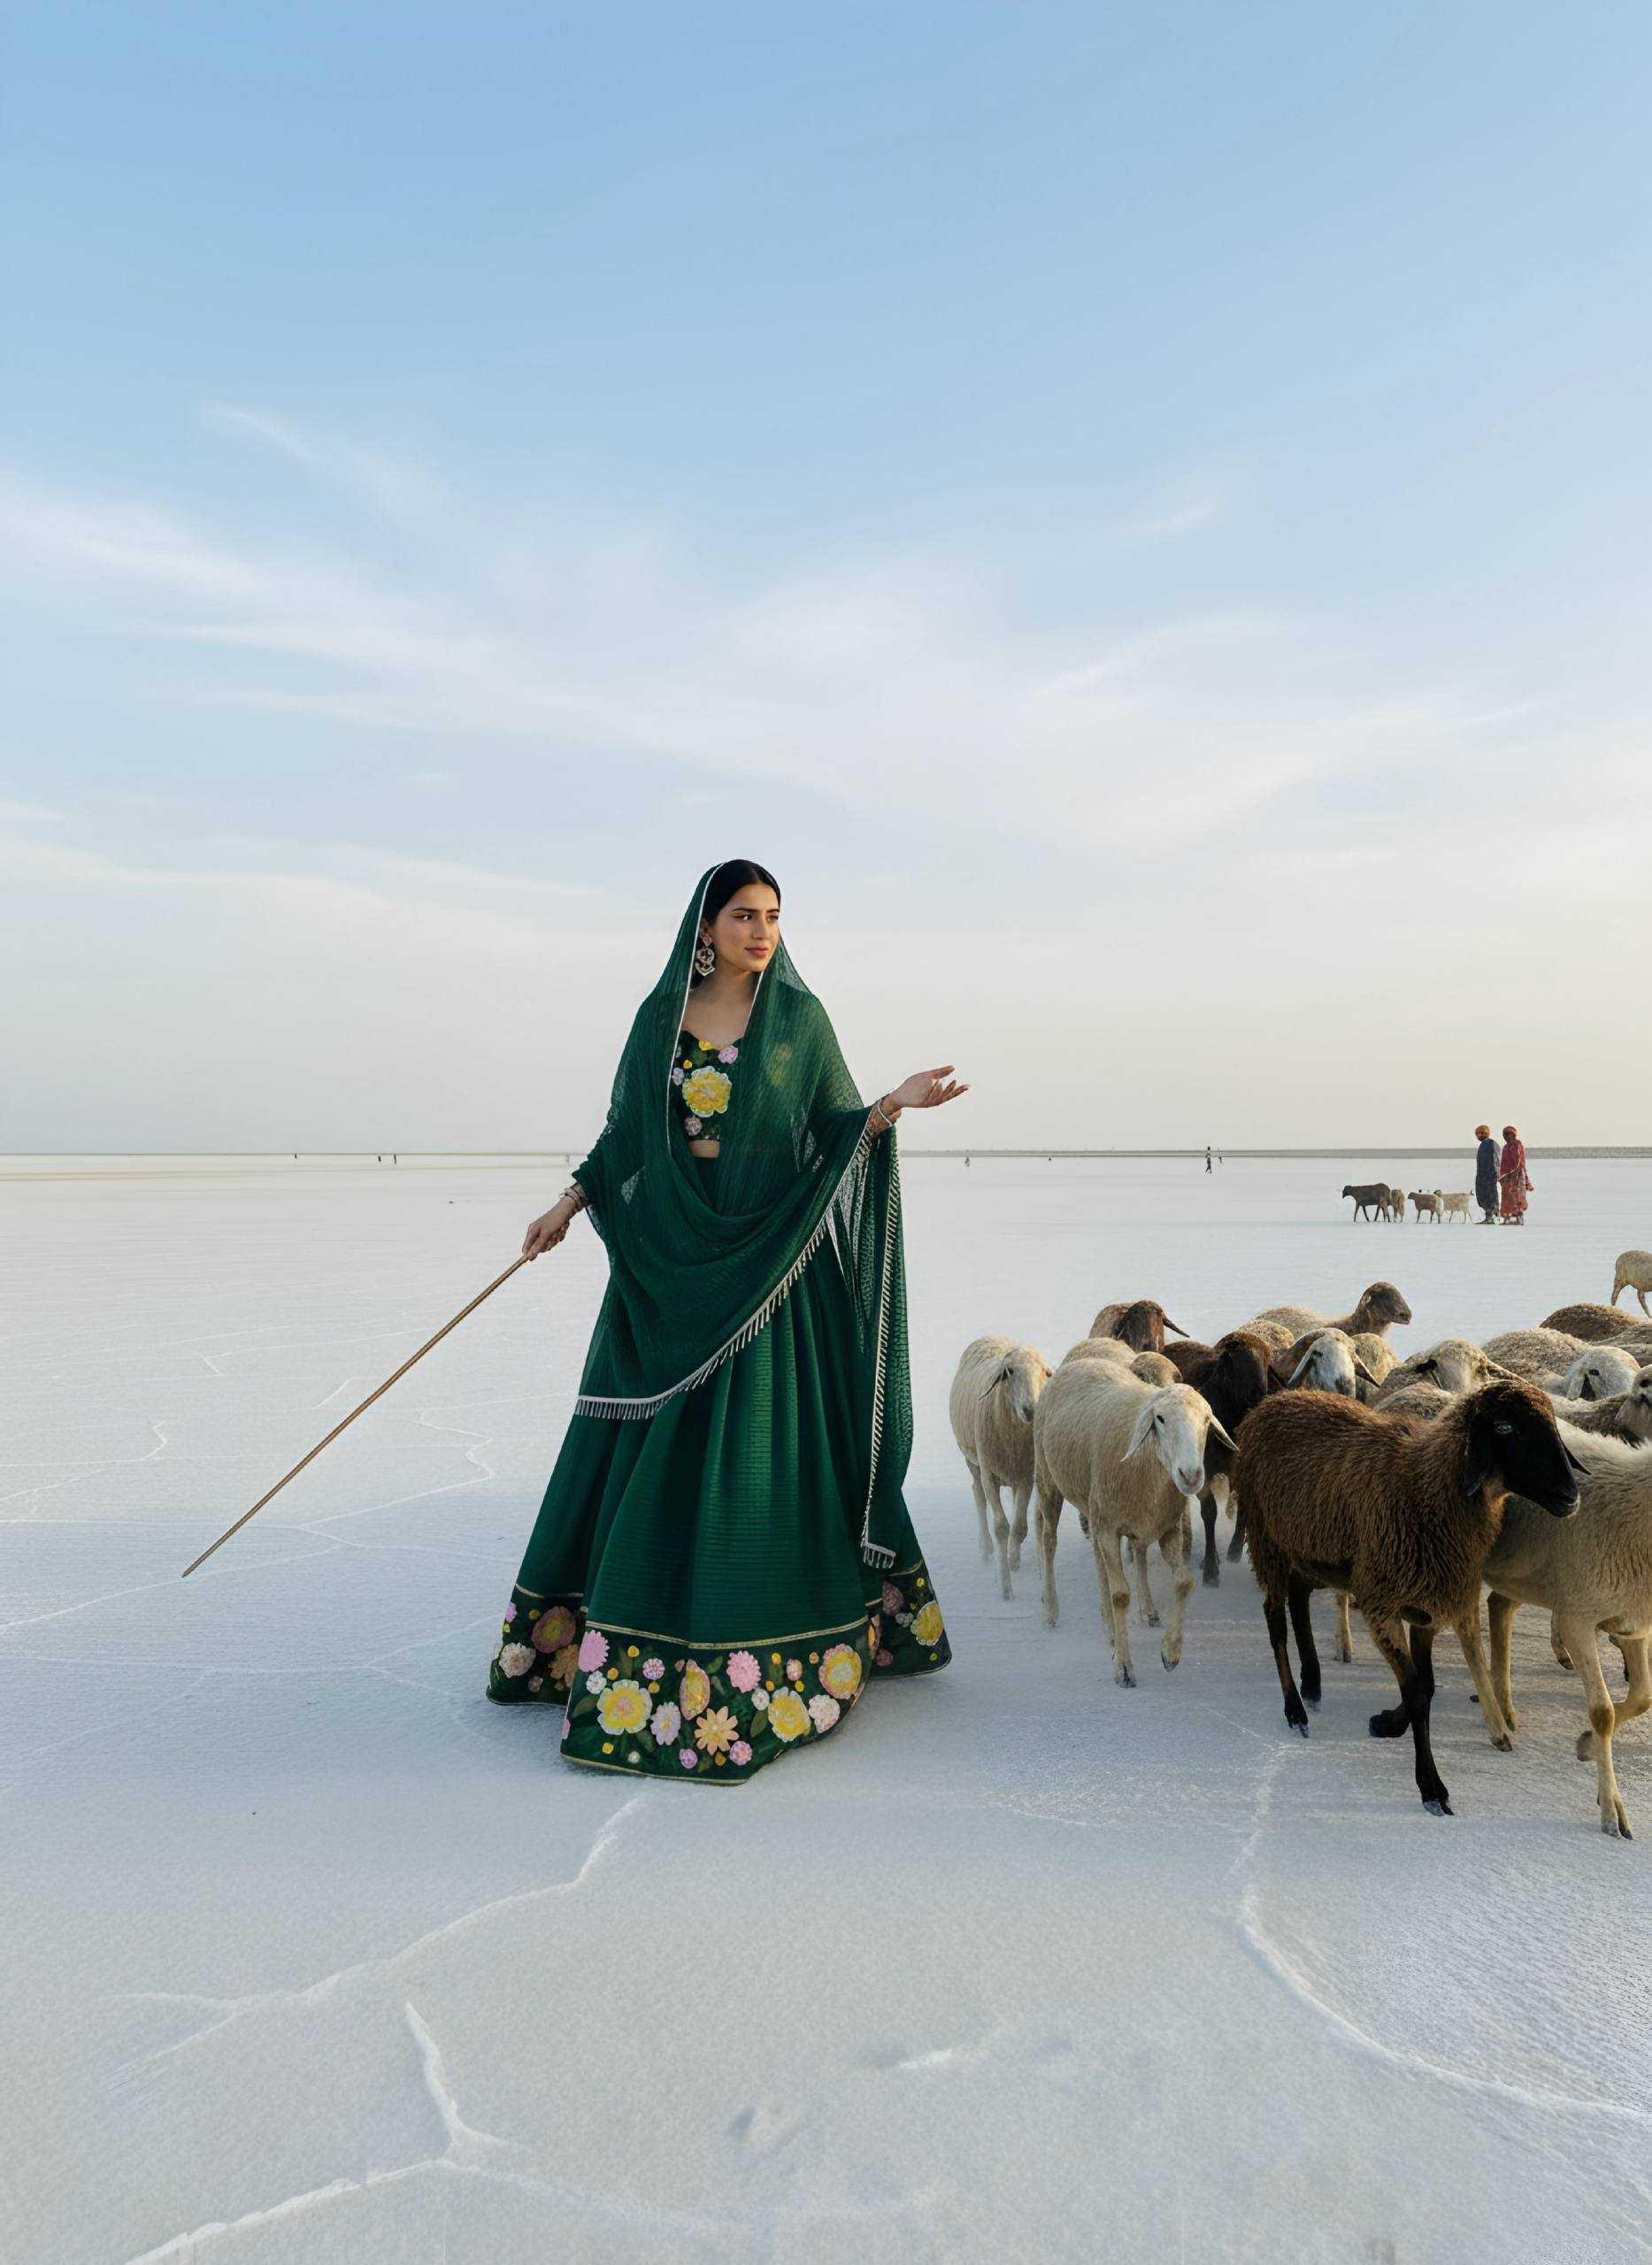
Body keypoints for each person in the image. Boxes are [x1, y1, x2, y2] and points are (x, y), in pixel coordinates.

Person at [487, 860, 967, 1782]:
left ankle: (776, 1654)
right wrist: (568, 1204)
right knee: (651, 1446)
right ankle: (603, 1645)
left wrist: (890, 1105)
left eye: (774, 915)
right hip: (672, 1259)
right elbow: (629, 1133)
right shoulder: (658, 1018)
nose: (761, 930)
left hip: (772, 1268)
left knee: (759, 1458)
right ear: (704, 926)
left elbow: (829, 1127)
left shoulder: (799, 1021)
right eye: (744, 914)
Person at [1499, 1123, 1533, 1225]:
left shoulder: (1517, 1145)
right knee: (1507, 1197)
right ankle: (1507, 1218)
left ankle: (1518, 1218)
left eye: (1509, 1134)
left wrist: (1513, 1174)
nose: (1506, 1137)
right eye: (1505, 1135)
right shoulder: (1506, 1147)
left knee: (1516, 1196)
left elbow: (1518, 1161)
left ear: (1514, 1135)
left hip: (1516, 1175)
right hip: (1506, 1177)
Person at [1474, 1125, 1499, 1223]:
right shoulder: (1484, 1144)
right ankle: (1488, 1217)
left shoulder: (1491, 1143)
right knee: (1482, 1196)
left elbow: (1495, 1160)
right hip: (1482, 1176)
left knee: (1490, 1197)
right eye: (1478, 1134)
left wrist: (1494, 1174)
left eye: (1480, 1134)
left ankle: (1492, 1217)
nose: (1478, 1136)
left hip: (1490, 1176)